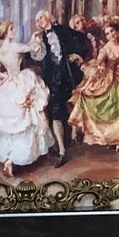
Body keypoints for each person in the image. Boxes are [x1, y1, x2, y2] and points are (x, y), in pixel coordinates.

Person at [0, 21, 53, 177]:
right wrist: (34, 38)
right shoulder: (15, 46)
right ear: (5, 32)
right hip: (19, 82)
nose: (14, 31)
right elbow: (32, 48)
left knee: (12, 125)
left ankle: (9, 159)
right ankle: (14, 159)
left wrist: (1, 76)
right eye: (11, 29)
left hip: (8, 85)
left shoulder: (0, 51)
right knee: (25, 121)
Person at [28, 10, 91, 167]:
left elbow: (81, 39)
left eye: (41, 18)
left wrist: (78, 55)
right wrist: (35, 43)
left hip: (67, 76)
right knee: (55, 112)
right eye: (37, 20)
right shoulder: (40, 38)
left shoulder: (63, 30)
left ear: (48, 17)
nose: (39, 21)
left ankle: (73, 135)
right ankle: (62, 151)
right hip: (53, 79)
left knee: (71, 105)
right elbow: (35, 57)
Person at [69, 19, 119, 152]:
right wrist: (100, 64)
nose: (111, 35)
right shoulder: (105, 48)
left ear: (116, 31)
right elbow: (100, 60)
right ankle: (111, 138)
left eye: (112, 31)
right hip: (108, 77)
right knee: (111, 108)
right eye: (107, 33)